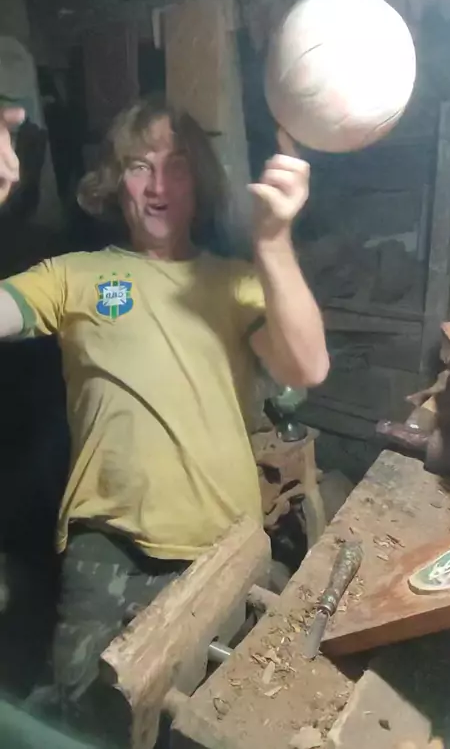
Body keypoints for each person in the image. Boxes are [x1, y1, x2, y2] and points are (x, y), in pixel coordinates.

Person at [0, 95, 329, 740]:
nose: (157, 185)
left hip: (220, 548)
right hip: (104, 550)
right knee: (86, 723)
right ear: (113, 182)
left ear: (197, 183)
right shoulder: (75, 275)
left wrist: (274, 240)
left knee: (209, 726)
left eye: (176, 166)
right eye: (138, 165)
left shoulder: (237, 281)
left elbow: (308, 366)